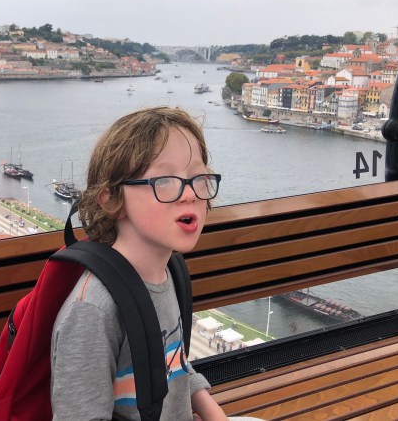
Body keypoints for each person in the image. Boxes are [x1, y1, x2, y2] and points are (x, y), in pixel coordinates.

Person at [50, 106, 263, 421]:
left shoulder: (170, 272)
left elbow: (174, 363)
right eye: (165, 180)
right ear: (111, 199)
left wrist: (214, 414)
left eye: (198, 177)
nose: (190, 194)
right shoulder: (93, 309)